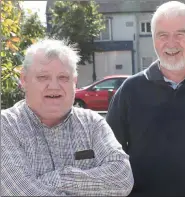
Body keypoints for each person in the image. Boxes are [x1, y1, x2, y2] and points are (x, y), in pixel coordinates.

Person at [106, 1, 185, 197]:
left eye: (180, 34)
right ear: (153, 40)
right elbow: (109, 156)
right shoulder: (130, 91)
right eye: (163, 35)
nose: (171, 43)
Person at [1, 39, 134, 196]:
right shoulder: (6, 127)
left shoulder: (92, 123)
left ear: (74, 82)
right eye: (43, 77)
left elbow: (122, 178)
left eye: (63, 77)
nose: (54, 86)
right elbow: (22, 193)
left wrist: (59, 179)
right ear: (24, 80)